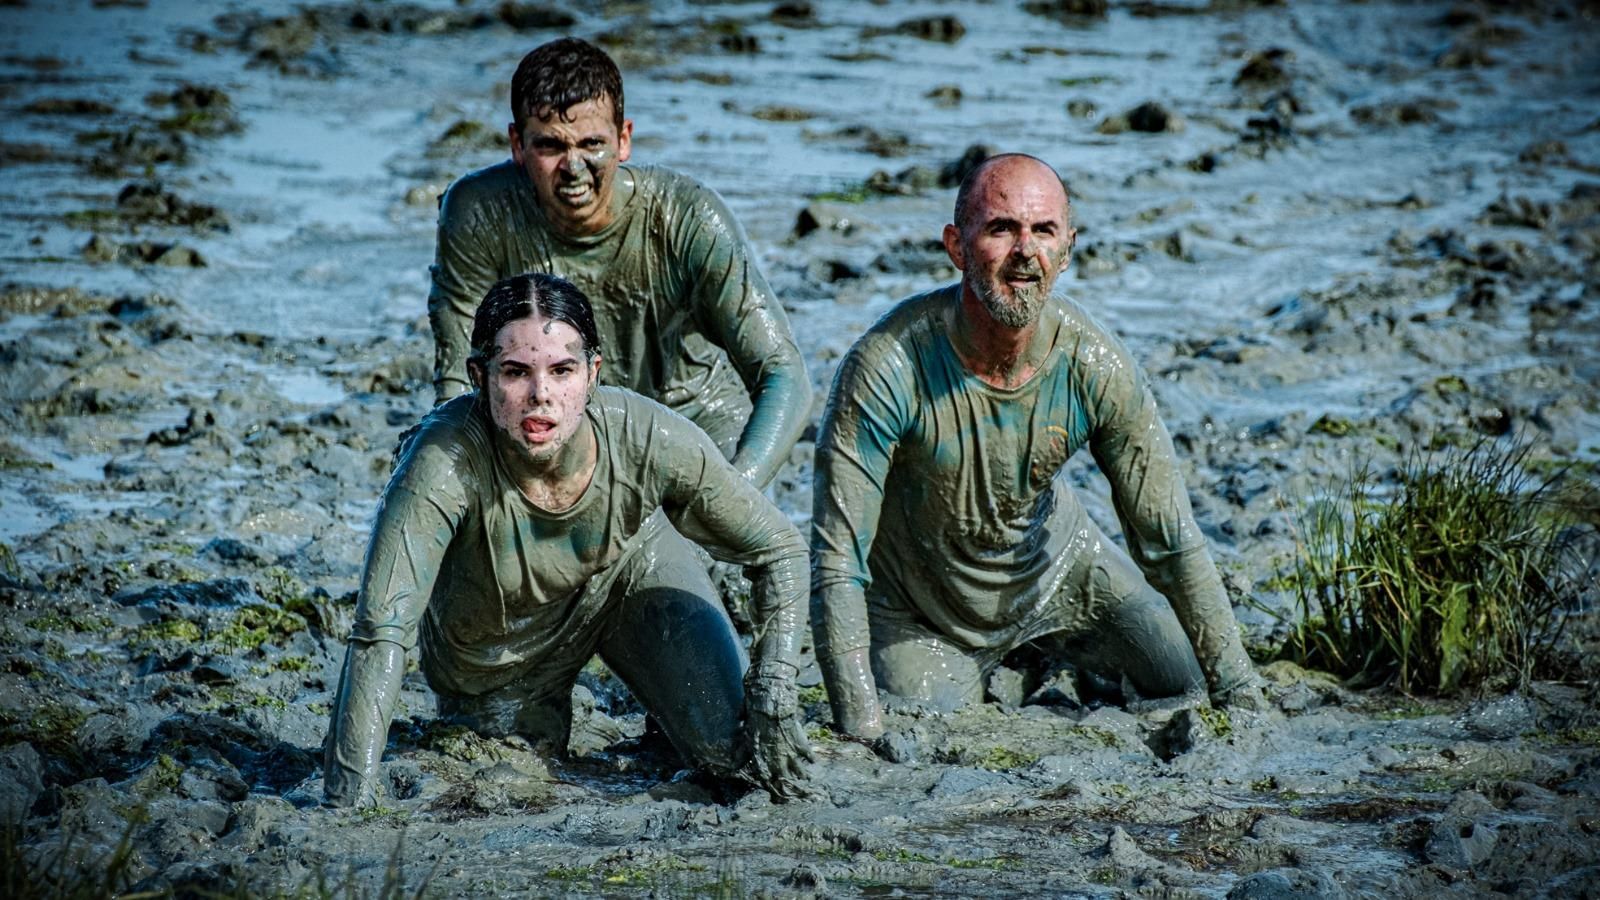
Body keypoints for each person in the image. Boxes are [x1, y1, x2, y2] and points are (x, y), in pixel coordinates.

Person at [809, 154, 1261, 740]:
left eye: (1043, 231)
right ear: (957, 246)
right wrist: (861, 730)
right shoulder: (887, 365)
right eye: (1001, 229)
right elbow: (837, 561)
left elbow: (1170, 540)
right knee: (938, 730)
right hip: (920, 612)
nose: (1026, 250)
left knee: (1186, 682)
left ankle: (1039, 659)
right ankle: (1002, 671)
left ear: (1067, 250)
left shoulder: (1094, 363)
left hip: (1058, 572)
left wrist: (1242, 694)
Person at [325, 273, 812, 806]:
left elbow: (780, 548)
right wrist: (349, 800)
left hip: (628, 574)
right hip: (499, 648)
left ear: (592, 374)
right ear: (479, 377)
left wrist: (774, 687)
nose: (541, 396)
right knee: (504, 789)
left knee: (738, 758)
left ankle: (668, 714)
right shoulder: (440, 463)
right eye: (516, 372)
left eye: (562, 371)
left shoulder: (649, 436)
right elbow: (380, 632)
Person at [428, 37, 810, 490]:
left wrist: (736, 493)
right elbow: (458, 381)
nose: (573, 167)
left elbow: (784, 375)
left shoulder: (688, 219)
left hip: (692, 426)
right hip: (551, 429)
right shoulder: (479, 213)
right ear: (517, 144)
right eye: (550, 146)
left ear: (623, 139)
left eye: (592, 143)